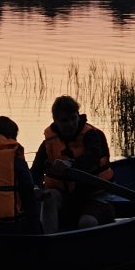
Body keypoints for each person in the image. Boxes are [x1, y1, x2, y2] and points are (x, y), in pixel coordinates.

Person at [31, 95, 115, 232]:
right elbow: (35, 170)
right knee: (49, 196)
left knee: (86, 223)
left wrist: (71, 164)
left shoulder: (92, 136)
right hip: (65, 197)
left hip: (95, 197)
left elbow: (93, 156)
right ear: (55, 121)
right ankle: (49, 242)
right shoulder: (49, 142)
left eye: (73, 118)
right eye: (64, 120)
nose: (70, 124)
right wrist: (35, 187)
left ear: (78, 115)